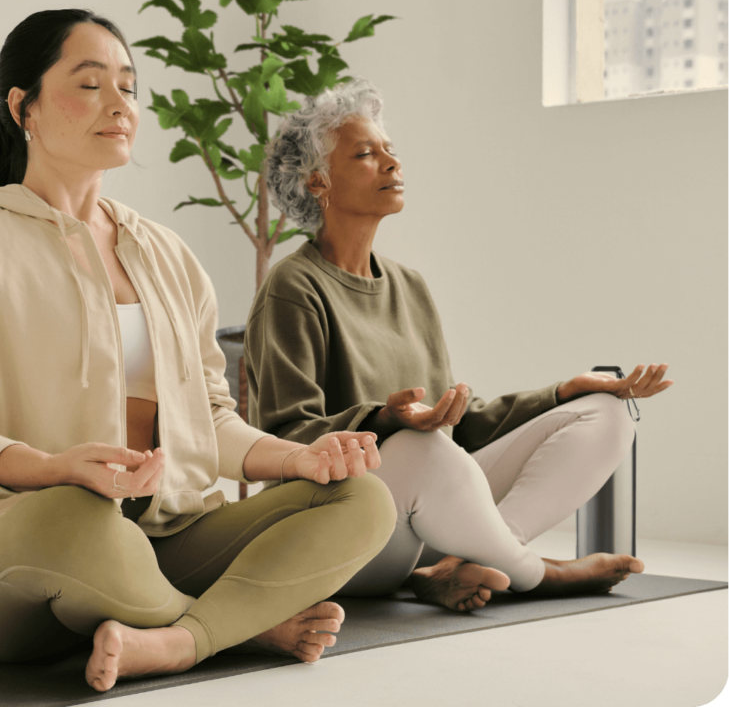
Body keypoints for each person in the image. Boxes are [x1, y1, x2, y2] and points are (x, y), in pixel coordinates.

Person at [0, 10, 397, 692]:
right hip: (14, 557)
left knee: (358, 497)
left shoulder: (165, 255)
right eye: (90, 83)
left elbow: (211, 419)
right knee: (81, 515)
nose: (119, 105)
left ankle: (172, 640)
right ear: (23, 108)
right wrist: (50, 469)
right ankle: (233, 628)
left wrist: (300, 458)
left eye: (128, 87)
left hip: (162, 540)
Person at [245, 79, 672, 612]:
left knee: (607, 414)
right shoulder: (292, 287)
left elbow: (459, 421)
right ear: (318, 184)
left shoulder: (411, 286)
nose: (392, 165)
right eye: (365, 154)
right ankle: (536, 574)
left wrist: (563, 391)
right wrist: (385, 420)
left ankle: (474, 562)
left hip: (431, 513)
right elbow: (284, 436)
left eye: (390, 152)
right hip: (344, 527)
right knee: (422, 448)